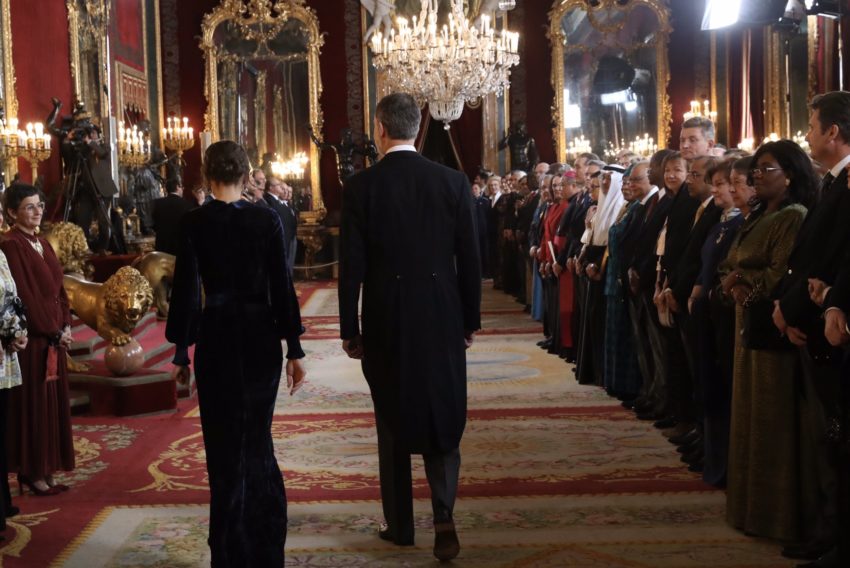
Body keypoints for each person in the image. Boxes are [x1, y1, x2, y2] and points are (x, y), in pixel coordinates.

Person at [338, 93, 481, 562]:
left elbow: (351, 267)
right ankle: (443, 512)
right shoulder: (453, 181)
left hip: (387, 313)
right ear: (418, 127)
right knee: (442, 411)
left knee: (391, 413)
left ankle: (400, 525)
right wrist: (469, 320)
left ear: (380, 129)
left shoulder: (361, 187)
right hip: (442, 312)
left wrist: (349, 328)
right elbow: (470, 258)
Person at [166, 141, 307, 567]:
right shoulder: (266, 219)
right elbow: (281, 286)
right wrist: (294, 349)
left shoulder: (194, 222)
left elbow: (186, 291)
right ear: (246, 176)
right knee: (257, 442)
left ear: (207, 175)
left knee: (223, 448)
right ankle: (265, 550)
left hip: (218, 341)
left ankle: (229, 553)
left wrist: (181, 354)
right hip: (260, 340)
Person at [719, 139, 816, 543]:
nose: (757, 175)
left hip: (771, 324)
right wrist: (733, 281)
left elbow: (781, 273)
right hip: (746, 320)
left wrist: (743, 281)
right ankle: (750, 508)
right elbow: (730, 261)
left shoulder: (792, 216)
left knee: (771, 417)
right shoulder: (760, 213)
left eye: (766, 169)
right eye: (755, 169)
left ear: (789, 175)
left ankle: (777, 515)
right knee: (749, 412)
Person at [0, 183, 75, 496]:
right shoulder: (11, 245)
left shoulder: (42, 242)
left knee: (51, 406)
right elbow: (25, 297)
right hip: (32, 341)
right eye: (29, 207)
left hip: (54, 337)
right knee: (33, 408)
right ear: (12, 212)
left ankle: (47, 467)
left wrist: (66, 324)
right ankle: (31, 471)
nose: (37, 211)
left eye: (39, 205)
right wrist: (51, 330)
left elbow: (59, 290)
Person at [0, 247, 25, 529]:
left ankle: (2, 503)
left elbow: (11, 299)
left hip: (5, 356)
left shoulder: (1, 255)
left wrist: (18, 331)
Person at [264, 177, 298, 274]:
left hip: (288, 235)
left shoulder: (280, 202)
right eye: (279, 185)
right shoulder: (269, 200)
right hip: (281, 237)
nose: (283, 190)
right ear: (271, 188)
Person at [151, 177, 193, 256]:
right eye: (181, 187)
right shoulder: (187, 204)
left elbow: (154, 224)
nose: (182, 189)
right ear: (177, 187)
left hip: (162, 246)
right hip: (180, 247)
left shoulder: (157, 203)